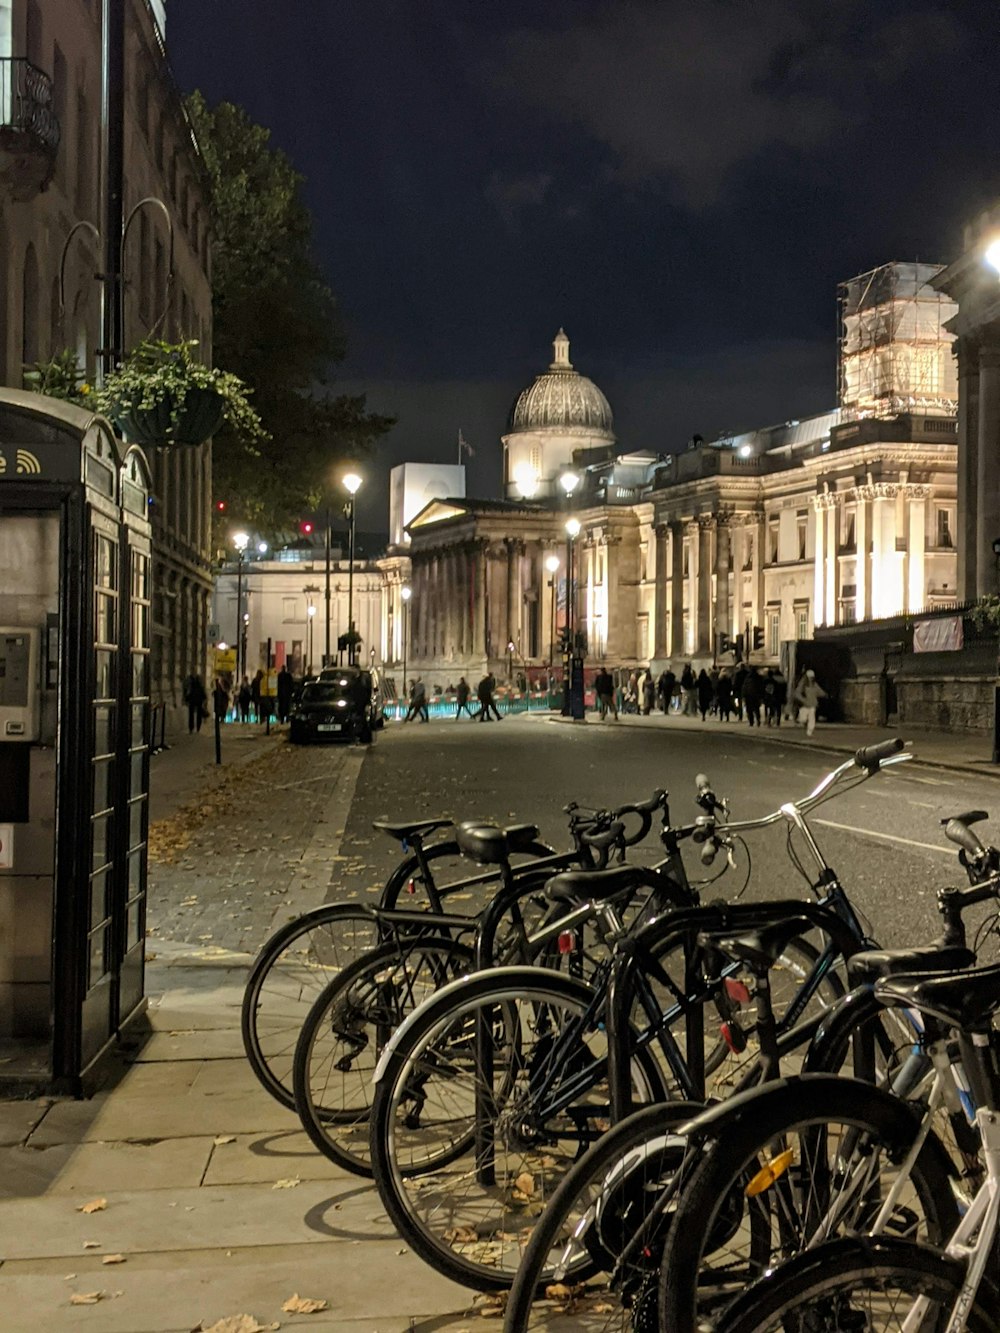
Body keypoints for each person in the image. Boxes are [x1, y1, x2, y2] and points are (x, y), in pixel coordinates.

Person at [793, 668, 827, 737]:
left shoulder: (814, 684)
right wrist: (803, 700)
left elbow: (819, 691)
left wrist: (824, 694)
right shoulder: (802, 685)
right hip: (804, 705)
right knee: (803, 719)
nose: (811, 679)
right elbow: (797, 693)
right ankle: (804, 722)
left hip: (812, 704)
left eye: (812, 677)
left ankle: (810, 731)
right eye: (810, 677)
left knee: (812, 718)